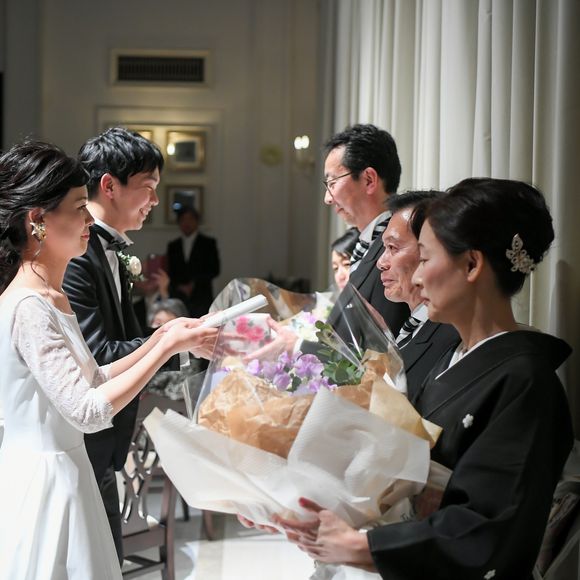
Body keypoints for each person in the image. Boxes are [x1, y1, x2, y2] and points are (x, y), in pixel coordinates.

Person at [275, 178, 574, 580]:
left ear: (471, 265)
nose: (415, 279)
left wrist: (362, 547)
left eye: (425, 259)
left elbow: (488, 525)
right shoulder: (452, 358)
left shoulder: (526, 382)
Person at [0, 140, 217, 579]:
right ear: (37, 221)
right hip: (45, 481)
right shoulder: (29, 306)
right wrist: (165, 348)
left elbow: (93, 376)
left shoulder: (51, 296)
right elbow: (87, 410)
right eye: (80, 208)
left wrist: (166, 338)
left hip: (71, 468)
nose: (88, 220)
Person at [62, 126, 167, 561]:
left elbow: (124, 339)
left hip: (104, 442)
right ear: (109, 185)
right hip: (82, 443)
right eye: (148, 187)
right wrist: (171, 342)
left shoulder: (107, 250)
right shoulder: (76, 256)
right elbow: (98, 356)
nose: (155, 200)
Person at [322, 124, 409, 337]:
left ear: (369, 180)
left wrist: (297, 345)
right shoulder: (366, 243)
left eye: (332, 183)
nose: (327, 199)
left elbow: (381, 340)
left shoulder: (395, 249)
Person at [377, 191, 460, 400]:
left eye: (393, 247)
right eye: (384, 247)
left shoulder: (453, 337)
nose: (381, 262)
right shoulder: (406, 325)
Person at [166, 206, 221, 318]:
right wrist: (180, 286)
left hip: (201, 296)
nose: (187, 223)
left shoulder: (208, 243)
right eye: (183, 220)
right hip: (178, 297)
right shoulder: (173, 246)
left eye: (190, 219)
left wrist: (194, 283)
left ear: (196, 221)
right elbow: (170, 270)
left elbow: (214, 269)